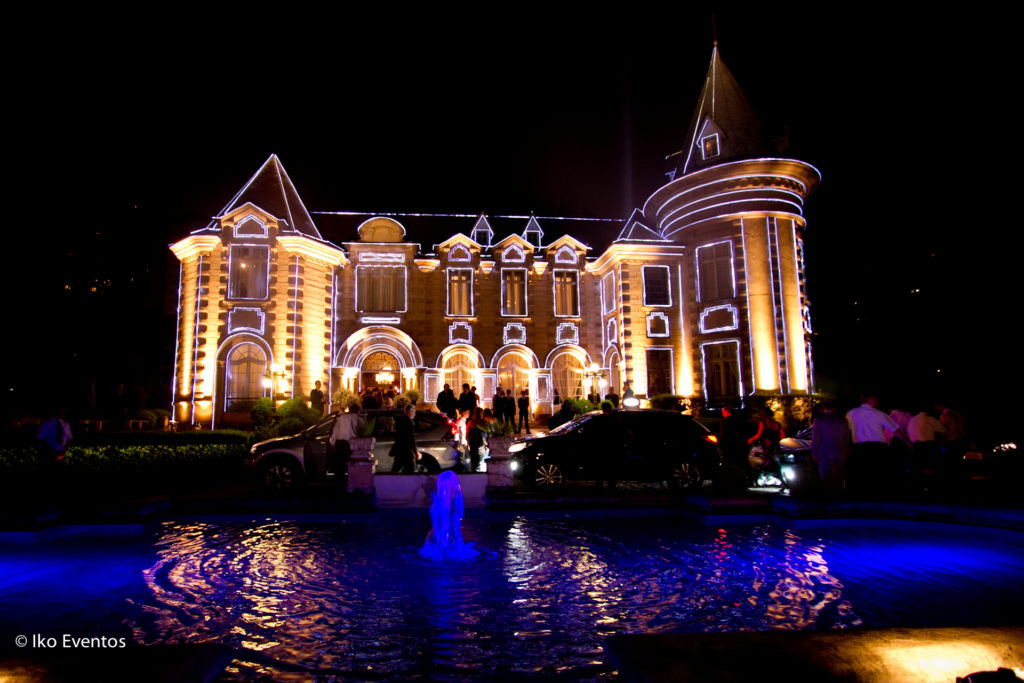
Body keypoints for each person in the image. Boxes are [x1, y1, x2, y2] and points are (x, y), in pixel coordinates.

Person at [812, 401, 851, 493]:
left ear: (824, 408)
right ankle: (838, 496)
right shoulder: (842, 421)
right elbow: (847, 438)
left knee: (826, 477)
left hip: (824, 453)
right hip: (839, 452)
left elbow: (816, 438)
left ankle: (828, 496)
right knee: (839, 477)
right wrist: (845, 450)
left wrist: (814, 453)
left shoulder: (819, 420)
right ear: (835, 408)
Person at [329, 404, 363, 476]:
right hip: (352, 444)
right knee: (351, 465)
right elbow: (361, 433)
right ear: (358, 411)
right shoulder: (359, 419)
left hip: (340, 444)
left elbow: (335, 431)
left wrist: (332, 443)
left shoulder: (342, 418)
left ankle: (339, 480)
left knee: (339, 465)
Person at [390, 404, 419, 473]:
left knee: (396, 469)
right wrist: (416, 452)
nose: (415, 414)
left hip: (399, 450)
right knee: (410, 470)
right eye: (414, 412)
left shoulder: (400, 421)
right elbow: (411, 438)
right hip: (406, 451)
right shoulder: (409, 422)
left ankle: (391, 479)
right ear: (410, 412)